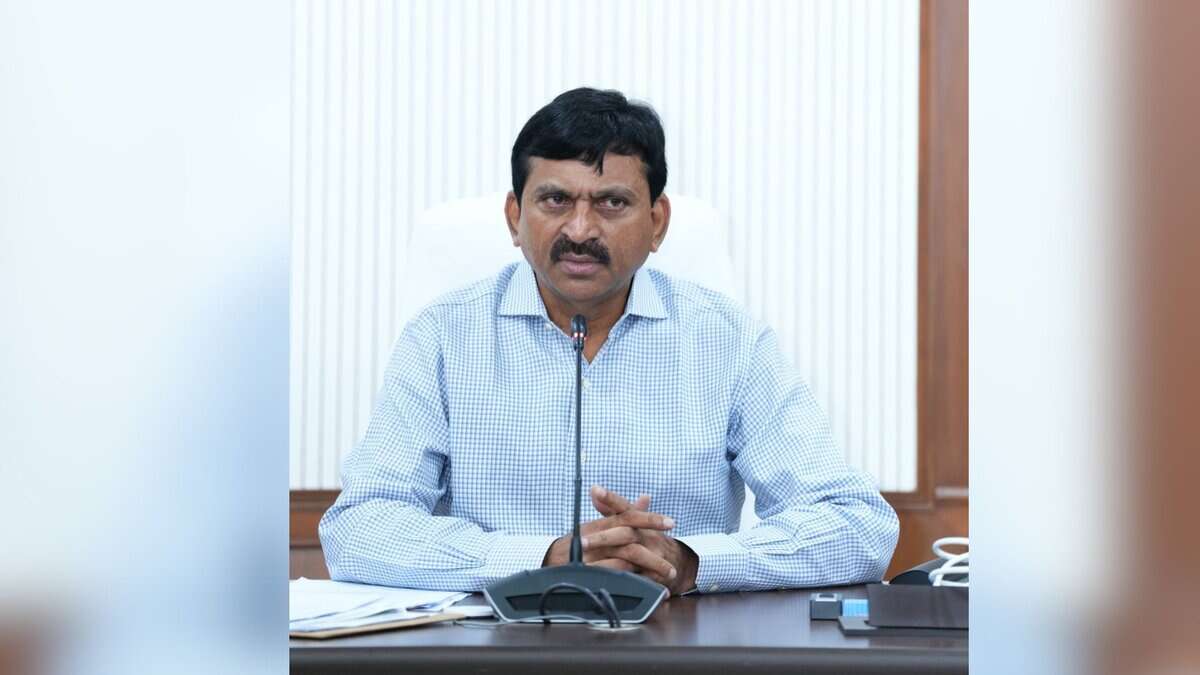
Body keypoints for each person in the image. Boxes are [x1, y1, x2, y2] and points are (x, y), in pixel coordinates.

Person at [320, 87, 898, 595]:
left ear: (657, 222)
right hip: (494, 648)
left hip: (675, 645)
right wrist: (544, 560)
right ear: (514, 215)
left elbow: (856, 525)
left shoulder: (729, 342)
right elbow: (359, 528)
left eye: (612, 203)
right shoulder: (442, 337)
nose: (580, 230)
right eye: (555, 201)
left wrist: (690, 562)